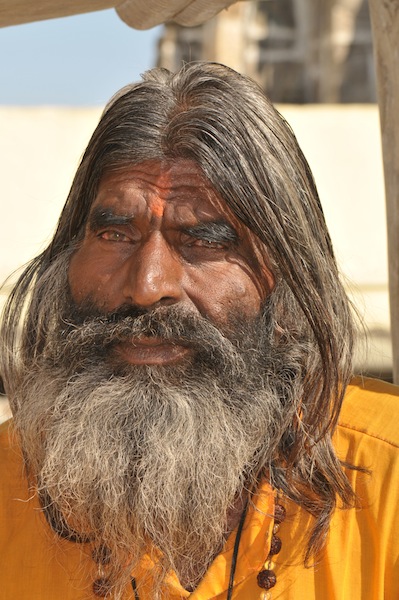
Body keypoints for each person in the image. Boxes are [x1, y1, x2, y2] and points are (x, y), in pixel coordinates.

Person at [0, 62, 398, 600]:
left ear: (283, 276)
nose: (148, 285)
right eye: (116, 234)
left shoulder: (388, 474)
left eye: (205, 242)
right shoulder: (9, 486)